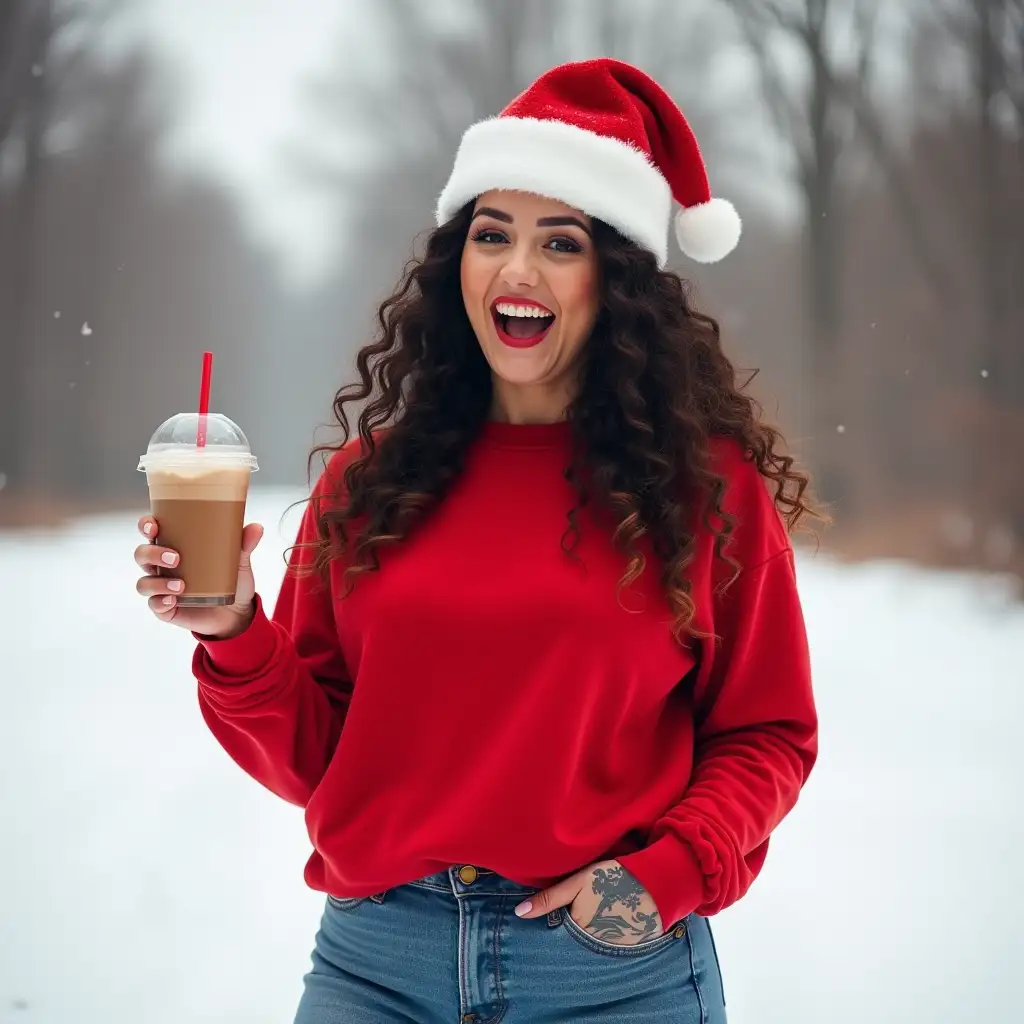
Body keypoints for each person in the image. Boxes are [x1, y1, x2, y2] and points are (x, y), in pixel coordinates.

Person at [134, 58, 821, 1023]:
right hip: (376, 963)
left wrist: (667, 876)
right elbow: (317, 758)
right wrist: (234, 629)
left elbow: (767, 733)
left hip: (605, 975)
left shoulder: (702, 492)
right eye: (491, 233)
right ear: (456, 262)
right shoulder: (370, 481)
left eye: (561, 241)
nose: (517, 268)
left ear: (615, 279)